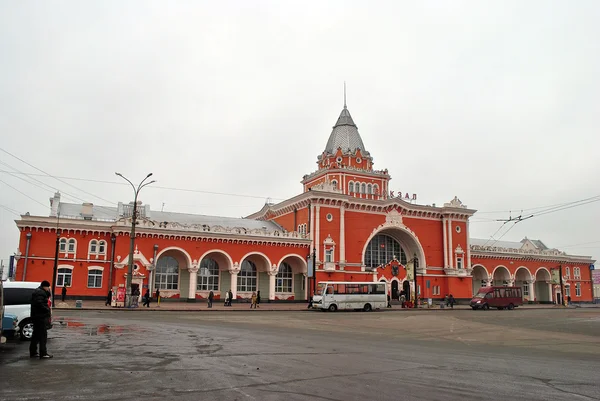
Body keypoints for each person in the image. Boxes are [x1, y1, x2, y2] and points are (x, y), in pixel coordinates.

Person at [30, 280, 53, 359]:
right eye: (48, 287)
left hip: (36, 317)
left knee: (36, 335)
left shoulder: (38, 292)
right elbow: (40, 304)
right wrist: (46, 309)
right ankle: (43, 353)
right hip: (40, 317)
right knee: (43, 335)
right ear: (45, 286)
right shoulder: (40, 293)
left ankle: (33, 352)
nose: (48, 289)